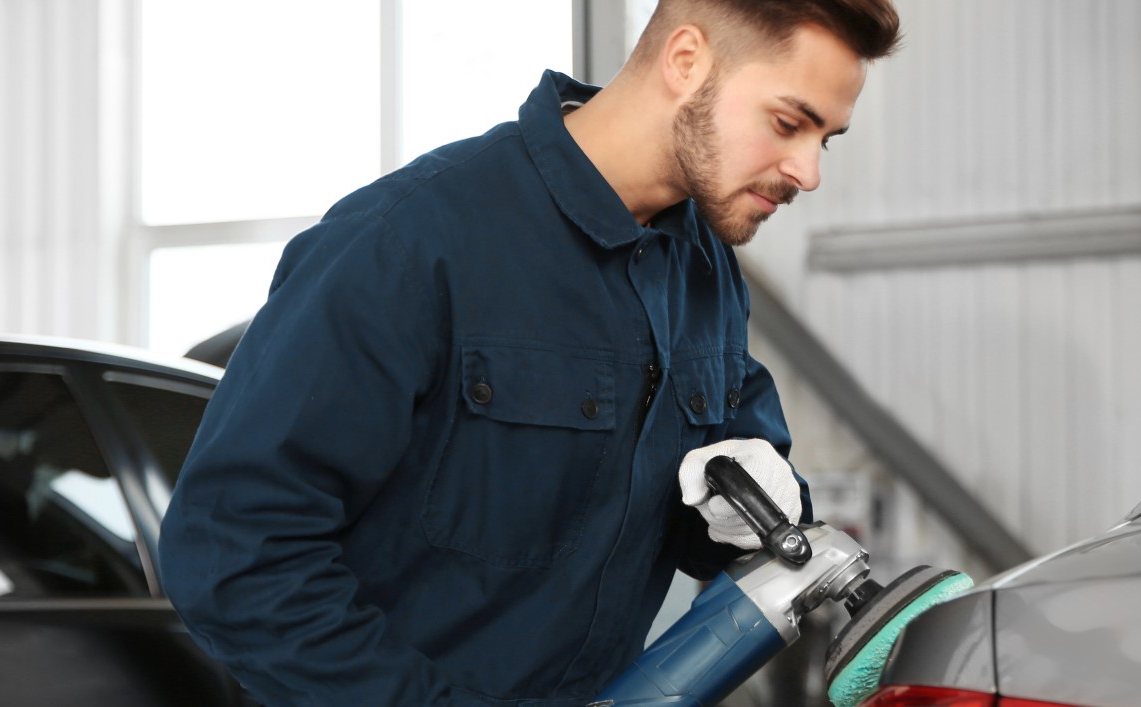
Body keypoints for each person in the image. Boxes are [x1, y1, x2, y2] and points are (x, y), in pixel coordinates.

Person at [155, 1, 902, 705]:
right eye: (788, 123)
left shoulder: (704, 273)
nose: (809, 172)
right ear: (685, 59)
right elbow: (231, 555)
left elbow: (720, 499)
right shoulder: (409, 245)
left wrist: (768, 511)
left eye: (825, 138)